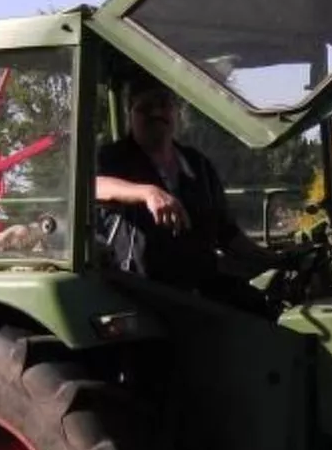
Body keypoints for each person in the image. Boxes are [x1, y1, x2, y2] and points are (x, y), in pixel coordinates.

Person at [94, 74, 285, 313]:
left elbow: (228, 236)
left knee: (266, 313)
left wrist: (276, 259)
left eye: (163, 104)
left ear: (176, 112)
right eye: (145, 107)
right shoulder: (113, 158)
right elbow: (93, 185)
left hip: (199, 289)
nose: (156, 113)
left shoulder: (198, 165)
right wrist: (147, 193)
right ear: (130, 115)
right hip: (141, 295)